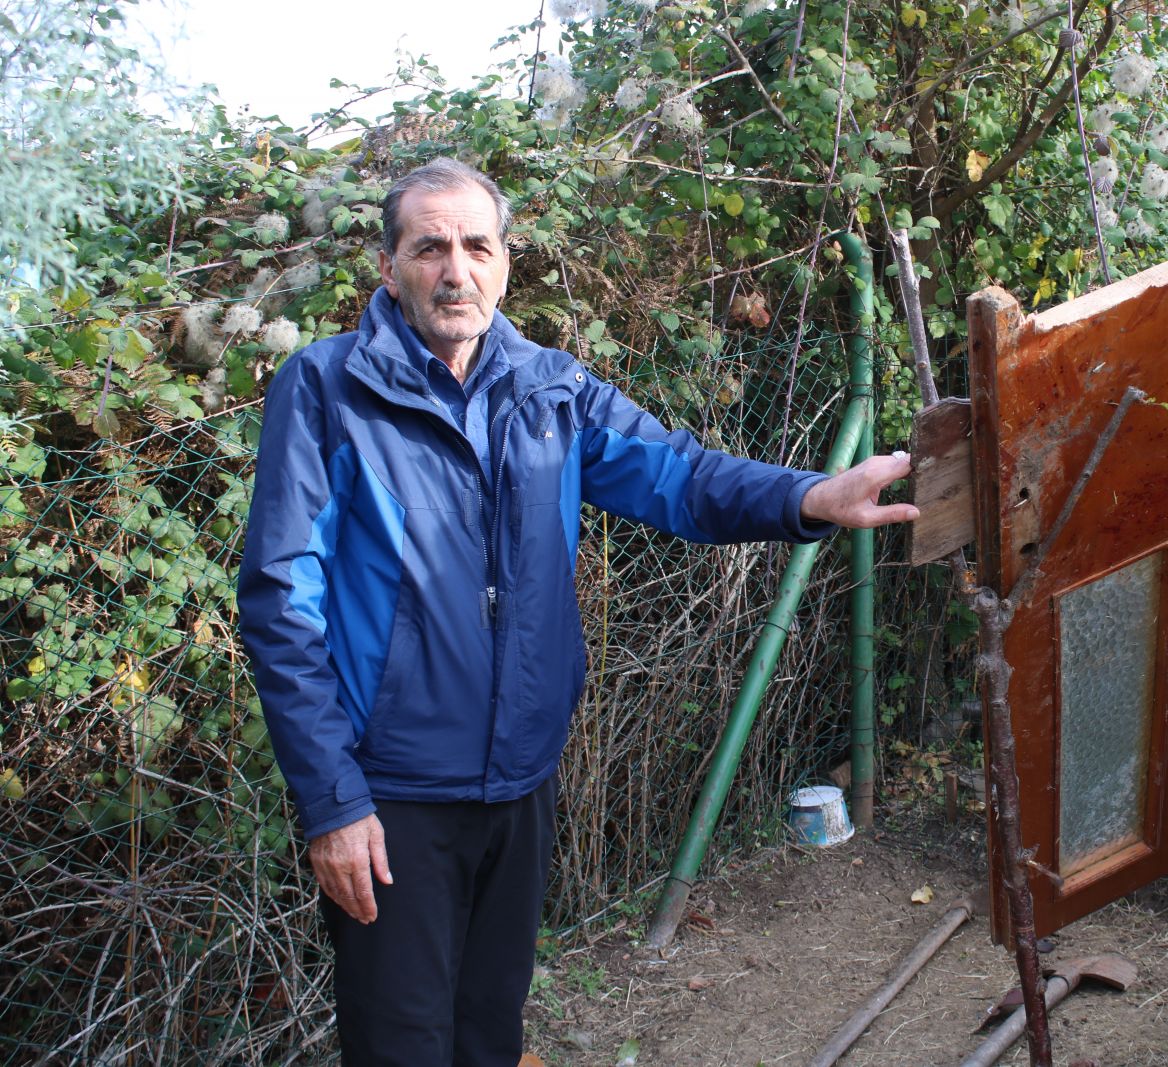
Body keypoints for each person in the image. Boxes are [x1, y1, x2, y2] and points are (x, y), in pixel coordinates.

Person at [236, 158, 917, 1066]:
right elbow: (283, 602)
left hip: (520, 781)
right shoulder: (326, 392)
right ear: (390, 264)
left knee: (490, 1033)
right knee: (400, 1045)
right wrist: (331, 800)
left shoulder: (549, 386)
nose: (455, 269)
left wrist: (812, 497)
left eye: (476, 245)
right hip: (392, 798)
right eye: (429, 246)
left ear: (505, 260)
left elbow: (678, 474)